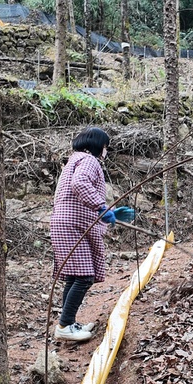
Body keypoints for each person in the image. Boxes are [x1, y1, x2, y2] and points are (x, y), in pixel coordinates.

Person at [50, 127, 135, 342]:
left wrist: (108, 212)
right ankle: (64, 326)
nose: (106, 152)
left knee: (75, 275)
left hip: (67, 223)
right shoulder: (89, 160)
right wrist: (101, 207)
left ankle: (67, 322)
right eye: (106, 147)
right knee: (84, 276)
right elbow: (80, 184)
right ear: (98, 146)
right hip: (72, 225)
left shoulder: (74, 160)